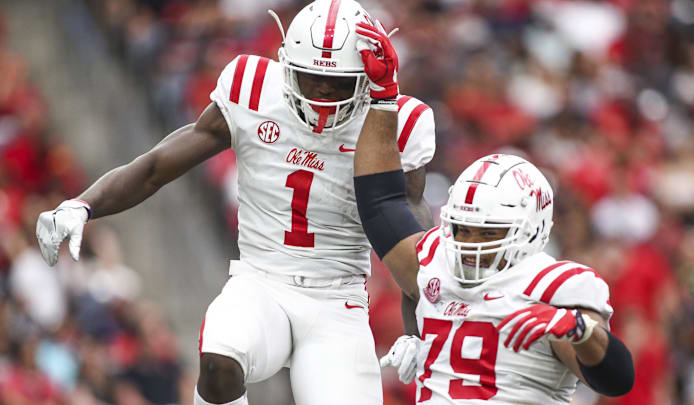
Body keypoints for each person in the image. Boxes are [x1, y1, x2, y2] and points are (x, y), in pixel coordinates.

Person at [35, 1, 435, 404]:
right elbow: (157, 166)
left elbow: (409, 248)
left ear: (367, 78)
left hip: (337, 301)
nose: (324, 92)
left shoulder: (396, 123)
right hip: (260, 281)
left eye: (338, 83)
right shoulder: (253, 87)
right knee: (218, 359)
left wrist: (418, 332)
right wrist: (83, 205)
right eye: (312, 78)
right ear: (287, 64)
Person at [352, 86, 636, 402]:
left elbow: (617, 379)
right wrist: (382, 98)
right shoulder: (437, 262)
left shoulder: (552, 288)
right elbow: (381, 205)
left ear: (532, 229)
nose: (471, 245)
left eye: (489, 233)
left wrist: (579, 329)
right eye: (463, 229)